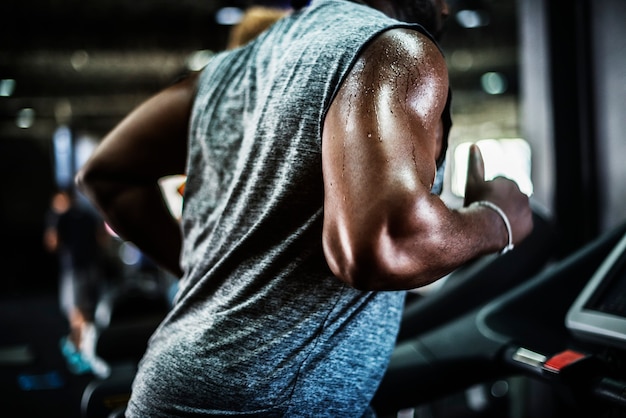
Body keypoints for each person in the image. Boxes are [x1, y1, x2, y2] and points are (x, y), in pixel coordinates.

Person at [75, 0, 533, 416]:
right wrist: (498, 219)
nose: (448, 7)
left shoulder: (224, 73)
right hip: (266, 401)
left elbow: (106, 175)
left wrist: (225, 281)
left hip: (171, 386)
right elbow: (385, 243)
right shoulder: (393, 49)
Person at [43, 189, 114, 374]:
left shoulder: (61, 217)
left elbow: (53, 242)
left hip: (74, 270)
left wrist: (55, 219)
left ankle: (83, 353)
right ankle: (87, 351)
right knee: (88, 312)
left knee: (77, 313)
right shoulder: (88, 216)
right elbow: (102, 239)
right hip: (92, 267)